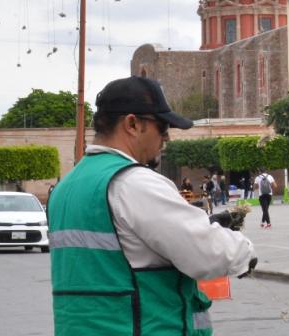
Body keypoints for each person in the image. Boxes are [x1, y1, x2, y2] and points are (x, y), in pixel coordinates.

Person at [48, 76, 256, 336]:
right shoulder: (132, 182)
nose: (166, 137)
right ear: (132, 124)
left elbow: (114, 256)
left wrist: (199, 225)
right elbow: (207, 254)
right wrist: (244, 251)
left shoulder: (66, 187)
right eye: (162, 127)